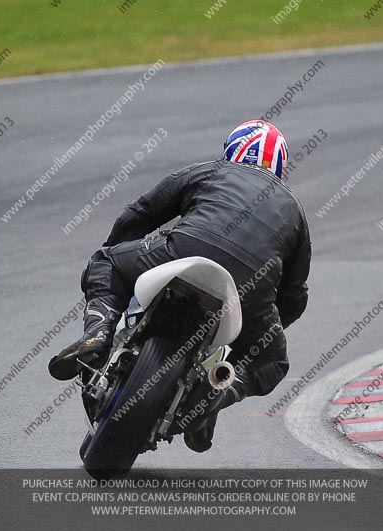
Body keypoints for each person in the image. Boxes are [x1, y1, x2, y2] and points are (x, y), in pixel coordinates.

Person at [48, 120, 311, 451]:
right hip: (248, 291)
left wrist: (121, 259)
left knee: (106, 260)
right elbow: (295, 294)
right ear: (280, 166)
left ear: (231, 152)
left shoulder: (210, 172)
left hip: (182, 252)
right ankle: (212, 398)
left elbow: (141, 213)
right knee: (272, 361)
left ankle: (97, 334)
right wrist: (258, 331)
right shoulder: (294, 211)